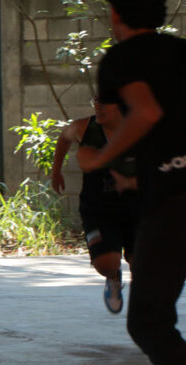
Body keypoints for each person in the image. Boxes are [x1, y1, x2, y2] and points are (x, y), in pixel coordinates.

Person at [79, 0, 186, 365]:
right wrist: (138, 176)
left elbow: (144, 113)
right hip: (168, 186)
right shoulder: (182, 52)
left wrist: (100, 158)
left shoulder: (122, 60)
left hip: (175, 203)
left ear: (114, 12)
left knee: (148, 322)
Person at [51, 97, 139, 314]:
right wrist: (56, 170)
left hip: (135, 206)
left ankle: (144, 310)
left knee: (142, 265)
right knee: (106, 263)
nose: (97, 107)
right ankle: (112, 276)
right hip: (98, 208)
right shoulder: (84, 127)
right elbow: (64, 138)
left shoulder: (139, 127)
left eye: (104, 102)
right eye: (95, 101)